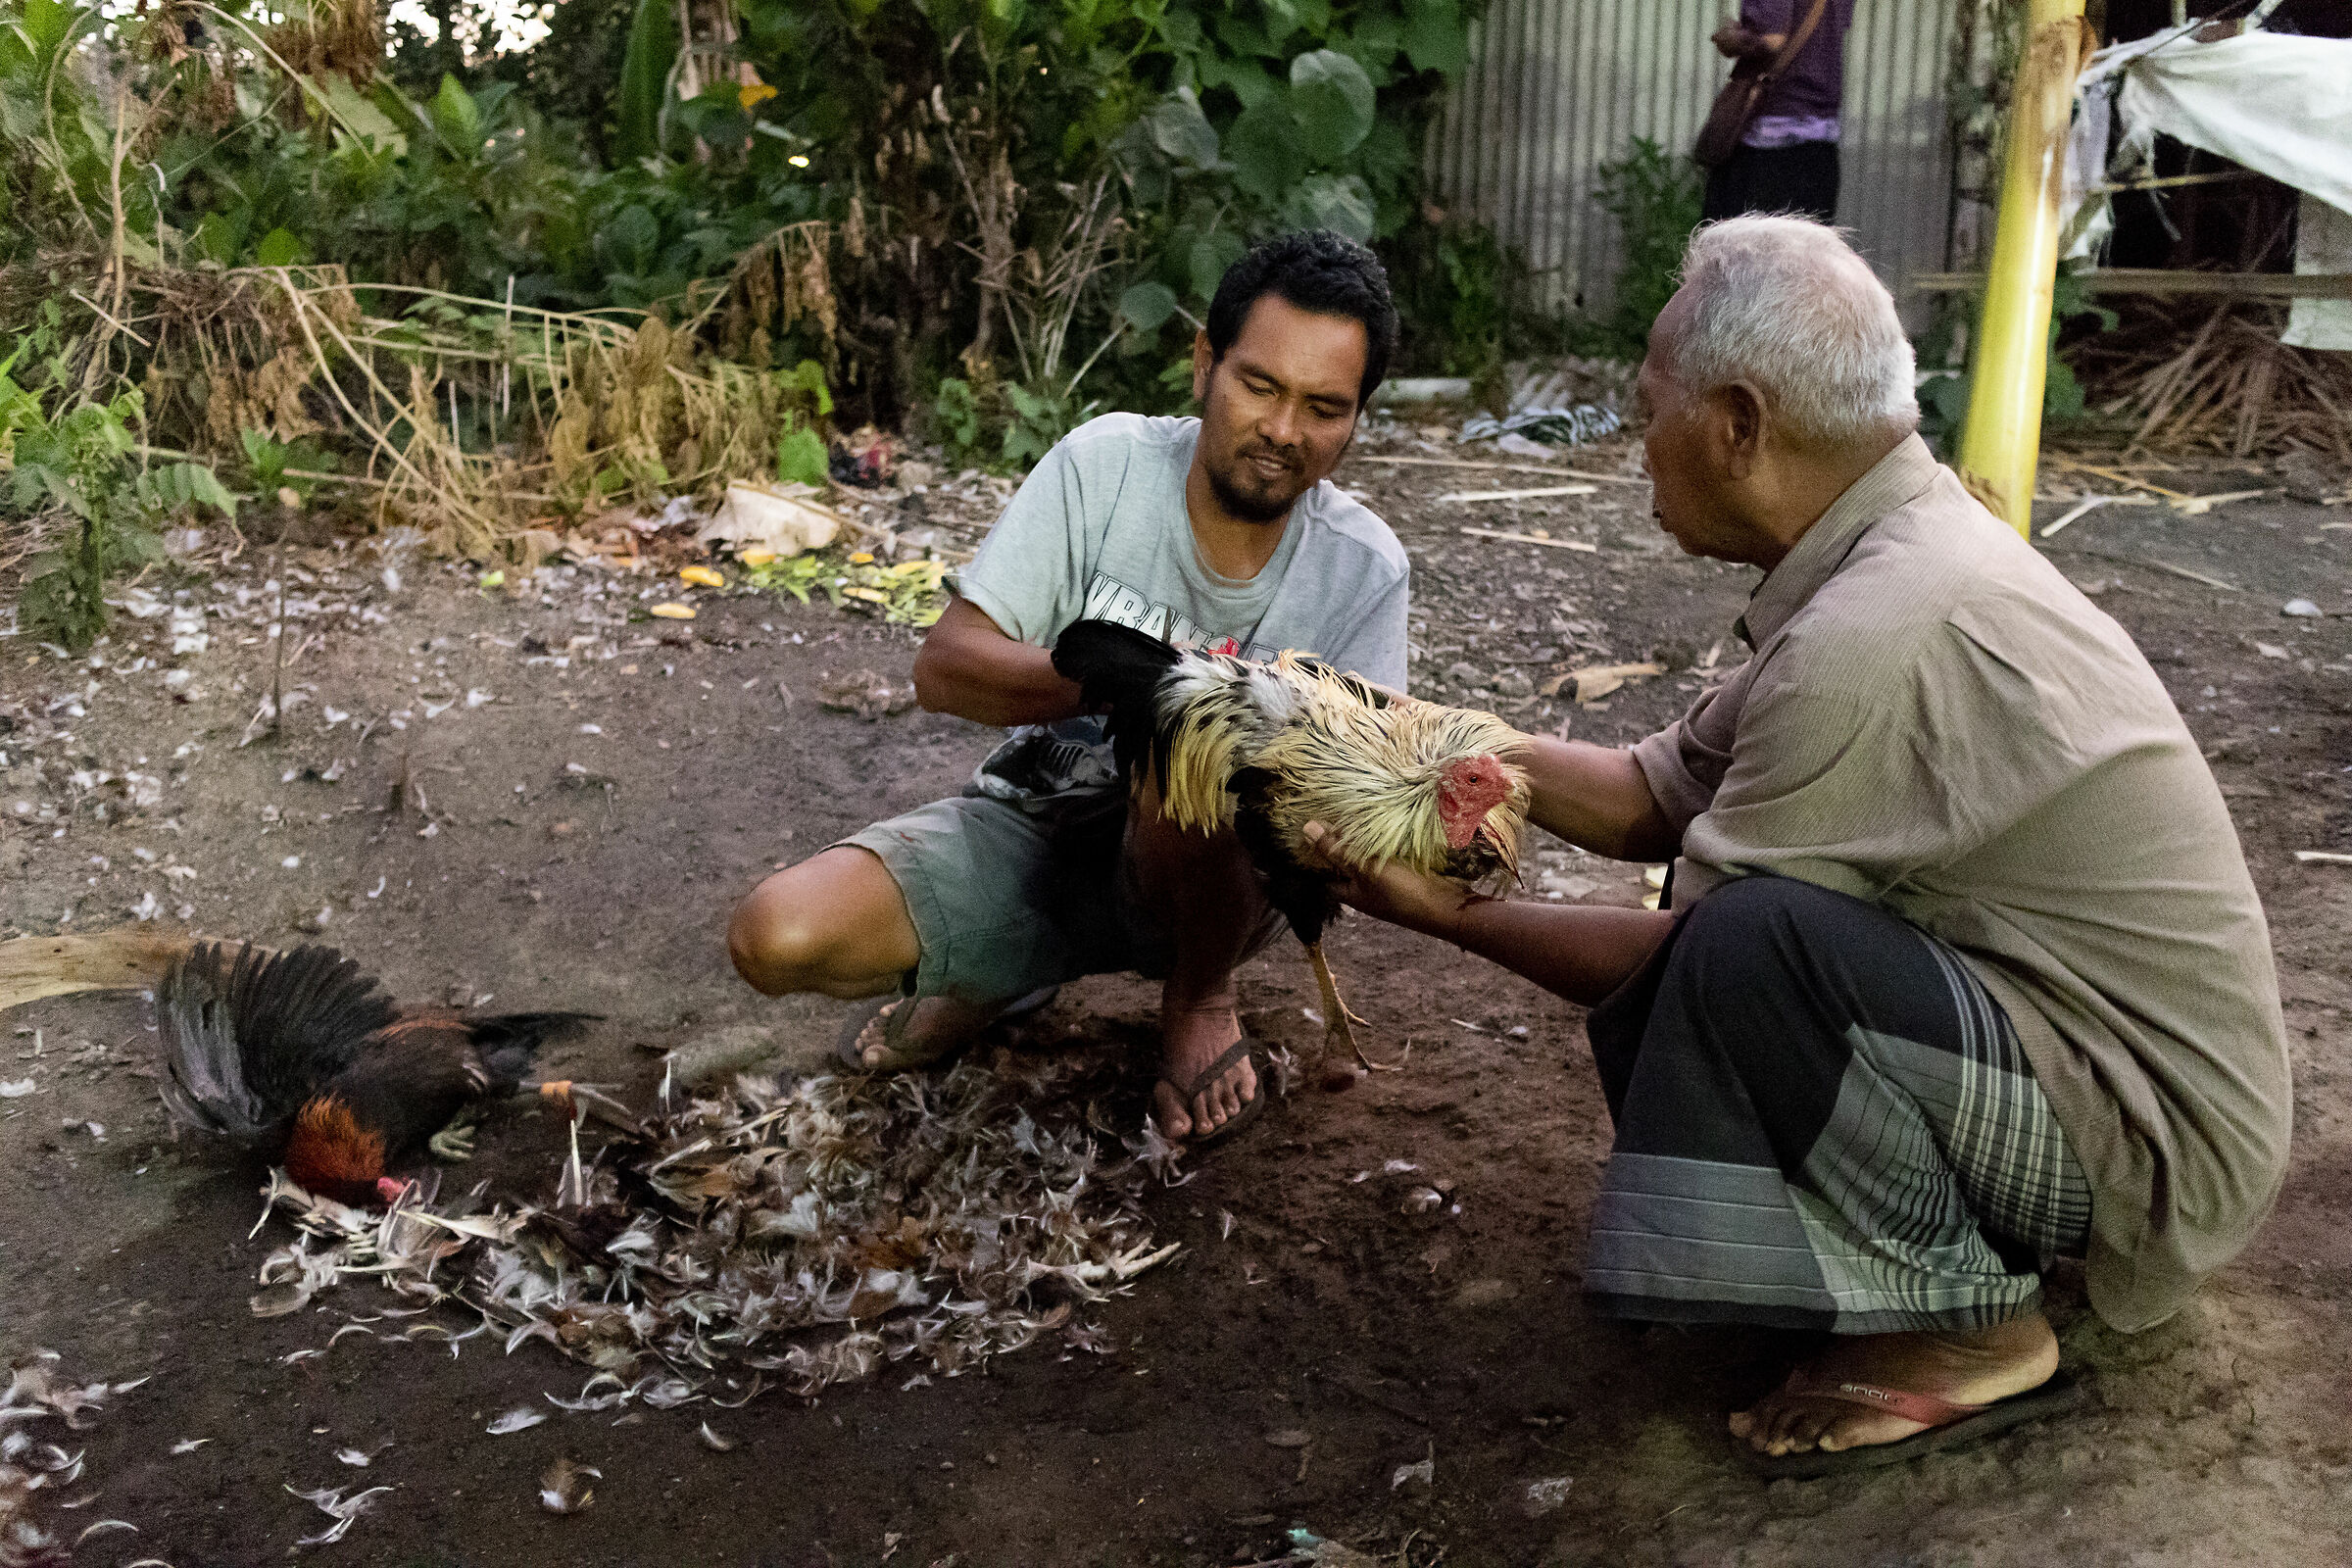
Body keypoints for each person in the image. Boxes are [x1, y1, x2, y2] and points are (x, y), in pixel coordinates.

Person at [1302, 215, 2291, 1471]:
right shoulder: (1885, 546)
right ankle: (1931, 1252)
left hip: (2155, 1146)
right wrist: (1408, 738)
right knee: (1751, 944)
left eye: (1647, 404)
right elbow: (1653, 791)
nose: (1632, 444)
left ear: (1738, 423)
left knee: (1750, 948)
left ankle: (1967, 1323)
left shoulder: (1873, 639)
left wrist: (1441, 912)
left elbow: (1694, 964)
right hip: (2099, 1069)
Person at [727, 230, 1410, 1145]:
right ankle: (1000, 966)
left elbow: (1363, 807)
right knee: (777, 936)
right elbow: (944, 670)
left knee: (1201, 755)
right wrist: (1110, 679)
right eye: (1260, 385)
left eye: (1324, 407)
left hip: (1208, 883)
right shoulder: (1108, 467)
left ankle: (1199, 994)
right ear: (1204, 365)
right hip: (1040, 817)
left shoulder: (1363, 570)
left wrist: (1234, 745)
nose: (1285, 430)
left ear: (1358, 416)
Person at [1703, 1, 1858, 225]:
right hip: (1821, 142)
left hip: (1766, 145)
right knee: (1806, 255)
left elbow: (1771, 39)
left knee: (1735, 253)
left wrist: (1731, 38)